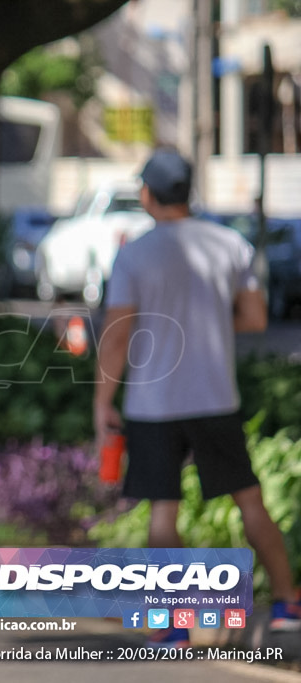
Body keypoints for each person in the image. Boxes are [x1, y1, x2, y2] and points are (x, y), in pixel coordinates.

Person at [94, 148, 301, 649]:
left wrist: (103, 403)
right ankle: (288, 602)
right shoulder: (229, 244)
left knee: (163, 512)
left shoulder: (134, 253)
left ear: (148, 194)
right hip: (214, 397)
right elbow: (253, 320)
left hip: (151, 402)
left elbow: (118, 337)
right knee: (249, 498)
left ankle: (174, 623)